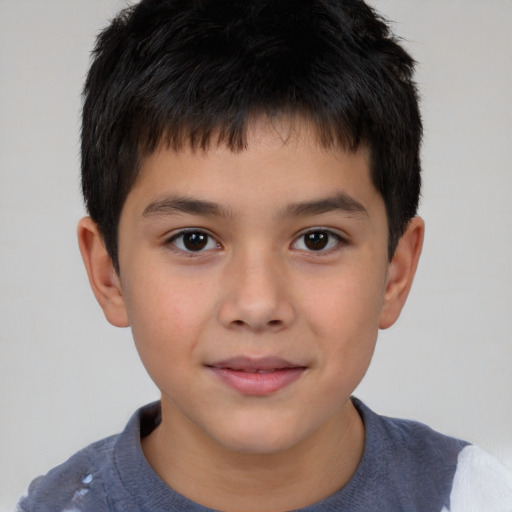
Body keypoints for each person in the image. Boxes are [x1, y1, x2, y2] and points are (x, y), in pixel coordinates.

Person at [17, 0, 512, 511]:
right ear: (109, 274)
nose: (257, 305)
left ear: (395, 272)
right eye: (193, 240)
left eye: (317, 240)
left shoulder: (476, 496)